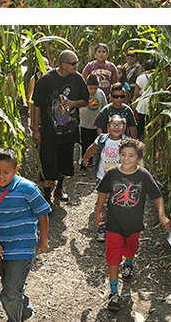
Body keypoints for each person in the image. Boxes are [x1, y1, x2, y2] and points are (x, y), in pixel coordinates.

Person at [95, 137, 170, 312]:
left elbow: (157, 196)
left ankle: (128, 262)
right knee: (114, 254)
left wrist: (162, 215)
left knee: (130, 248)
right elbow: (102, 193)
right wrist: (98, 213)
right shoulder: (112, 173)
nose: (126, 159)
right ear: (118, 155)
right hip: (113, 223)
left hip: (134, 224)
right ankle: (114, 293)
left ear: (138, 157)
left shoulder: (143, 175)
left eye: (131, 155)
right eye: (123, 155)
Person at [0, 148, 51, 322]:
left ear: (16, 170)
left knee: (10, 290)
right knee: (10, 284)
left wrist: (44, 239)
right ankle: (25, 311)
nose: (1, 176)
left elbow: (42, 213)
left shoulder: (27, 188)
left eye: (6, 172)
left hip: (22, 247)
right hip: (1, 248)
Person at [31, 49, 89, 204]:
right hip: (49, 129)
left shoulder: (77, 78)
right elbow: (36, 105)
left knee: (65, 159)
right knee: (47, 159)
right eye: (73, 63)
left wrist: (73, 103)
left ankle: (59, 189)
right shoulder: (46, 80)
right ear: (63, 64)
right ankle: (46, 195)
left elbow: (86, 100)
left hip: (68, 129)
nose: (77, 66)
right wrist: (35, 128)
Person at [82, 114, 128, 241]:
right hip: (103, 178)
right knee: (103, 204)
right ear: (109, 127)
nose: (116, 127)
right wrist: (85, 158)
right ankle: (101, 228)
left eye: (120, 125)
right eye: (114, 124)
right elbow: (92, 149)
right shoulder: (102, 139)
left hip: (121, 179)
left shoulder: (126, 142)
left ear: (124, 128)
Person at [79, 74, 108, 173]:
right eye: (90, 88)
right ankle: (83, 166)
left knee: (96, 145)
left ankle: (97, 164)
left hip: (96, 125)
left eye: (95, 88)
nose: (93, 91)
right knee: (85, 145)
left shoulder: (100, 94)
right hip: (84, 123)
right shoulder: (82, 93)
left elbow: (105, 108)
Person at [133, 59, 156, 140]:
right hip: (154, 104)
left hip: (143, 104)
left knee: (141, 124)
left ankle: (138, 140)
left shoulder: (141, 78)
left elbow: (136, 93)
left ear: (144, 68)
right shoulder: (158, 77)